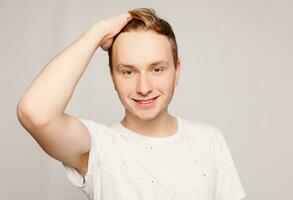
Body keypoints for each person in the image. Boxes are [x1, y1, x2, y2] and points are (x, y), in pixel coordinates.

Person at [17, 8, 246, 200]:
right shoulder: (99, 148)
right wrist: (98, 32)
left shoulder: (209, 141)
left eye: (157, 69)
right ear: (112, 76)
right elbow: (34, 113)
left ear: (177, 71)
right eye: (128, 71)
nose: (143, 87)